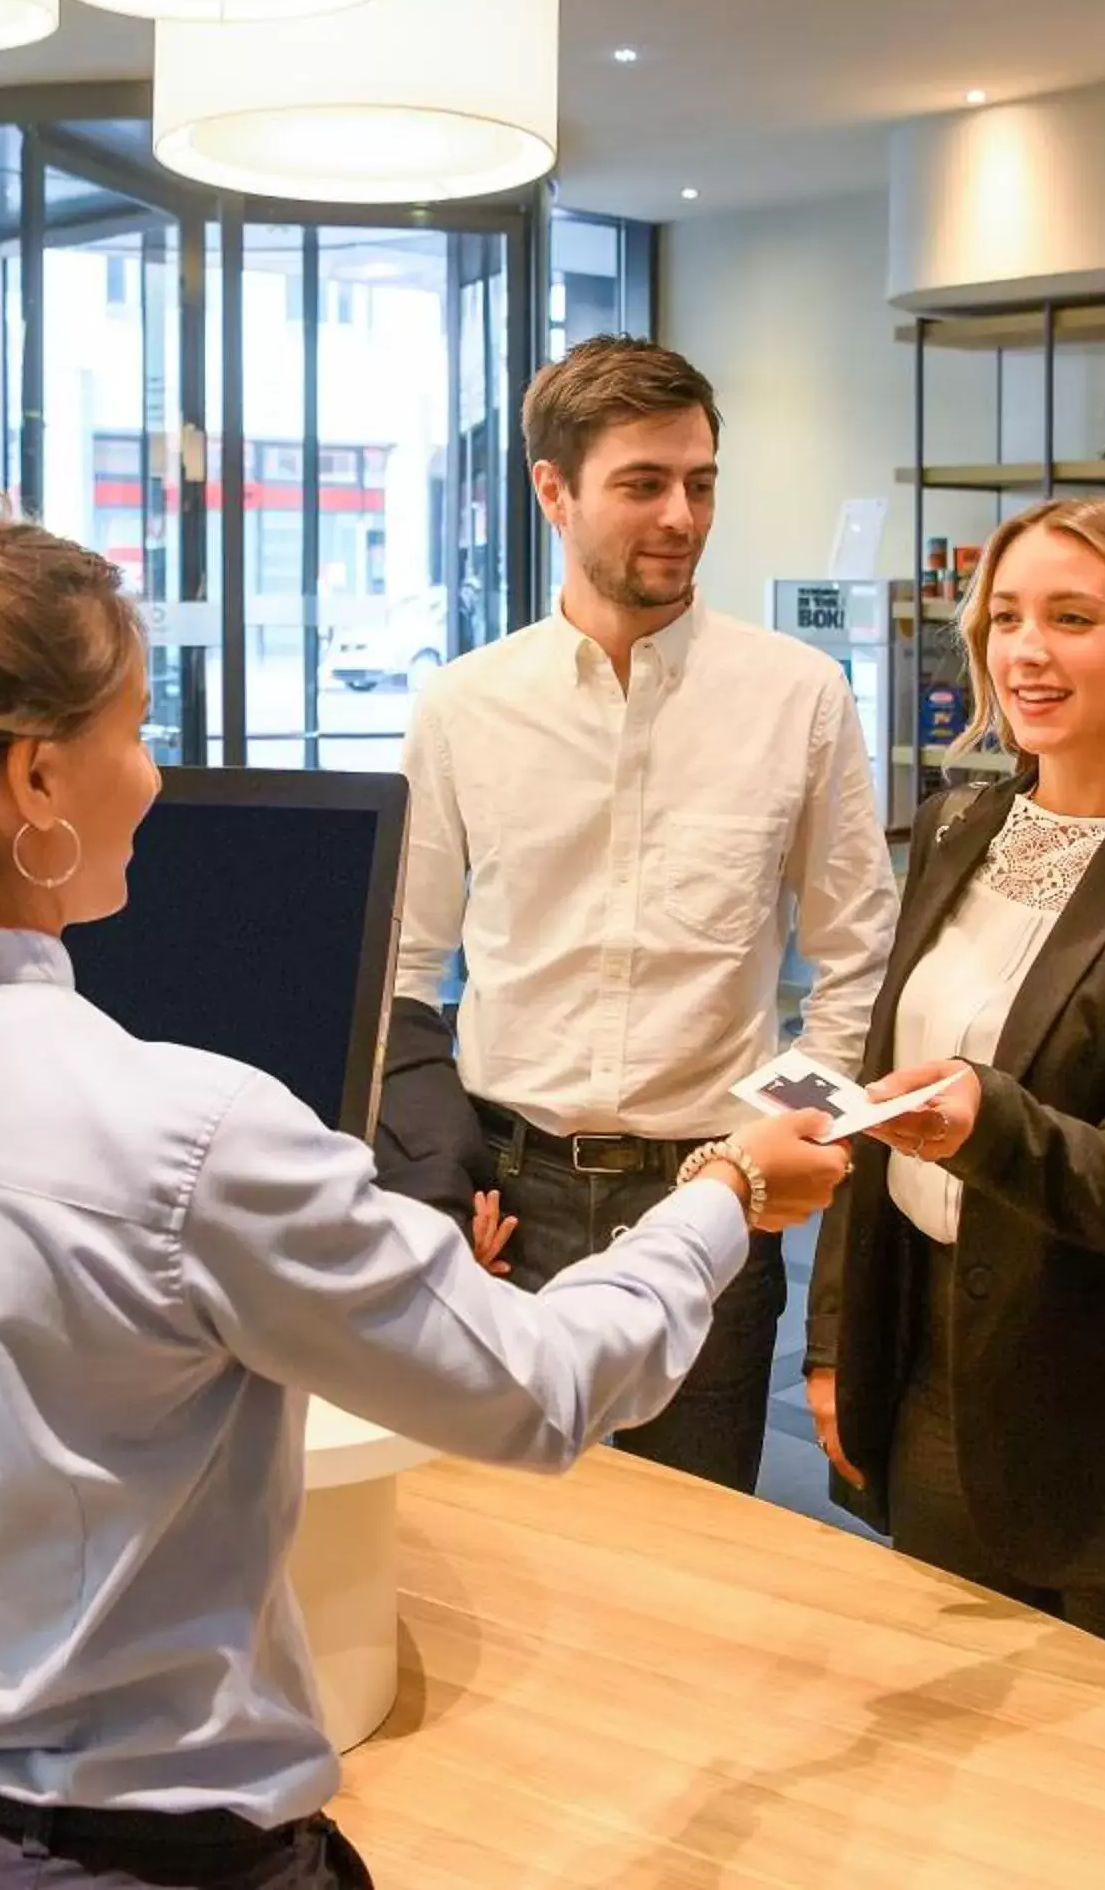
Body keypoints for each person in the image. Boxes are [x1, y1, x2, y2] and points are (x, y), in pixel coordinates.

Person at [0, 491, 851, 1890]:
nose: (156, 776)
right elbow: (535, 1391)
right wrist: (721, 1192)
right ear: (34, 782)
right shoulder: (187, 1135)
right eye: (137, 727)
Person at [376, 335, 898, 1494]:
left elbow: (858, 957)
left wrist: (779, 1140)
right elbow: (403, 965)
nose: (683, 515)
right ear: (553, 490)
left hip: (712, 1185)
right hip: (505, 1186)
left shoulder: (798, 697)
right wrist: (434, 1185)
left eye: (701, 483)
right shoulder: (465, 706)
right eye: (645, 484)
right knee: (492, 1523)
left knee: (695, 1534)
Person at [804, 498, 1105, 1691]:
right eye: (1007, 617)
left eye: (1072, 618)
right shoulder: (959, 824)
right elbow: (875, 1092)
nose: (1026, 649)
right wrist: (832, 1345)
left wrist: (987, 1120)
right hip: (933, 1384)